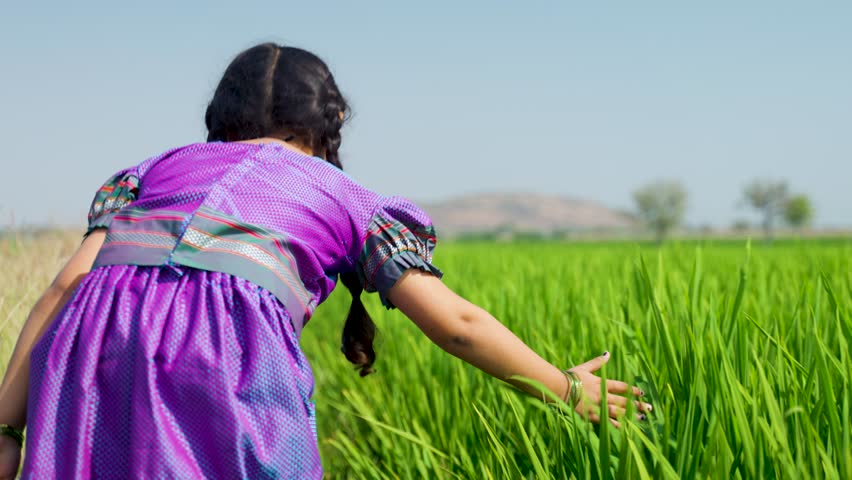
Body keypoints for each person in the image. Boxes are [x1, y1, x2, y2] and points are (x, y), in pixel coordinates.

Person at [0, 43, 651, 479]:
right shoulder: (346, 197)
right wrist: (565, 390)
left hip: (92, 359)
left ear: (221, 114)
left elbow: (69, 282)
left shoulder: (151, 173)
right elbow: (455, 324)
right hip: (223, 368)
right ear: (330, 121)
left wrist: (5, 429)